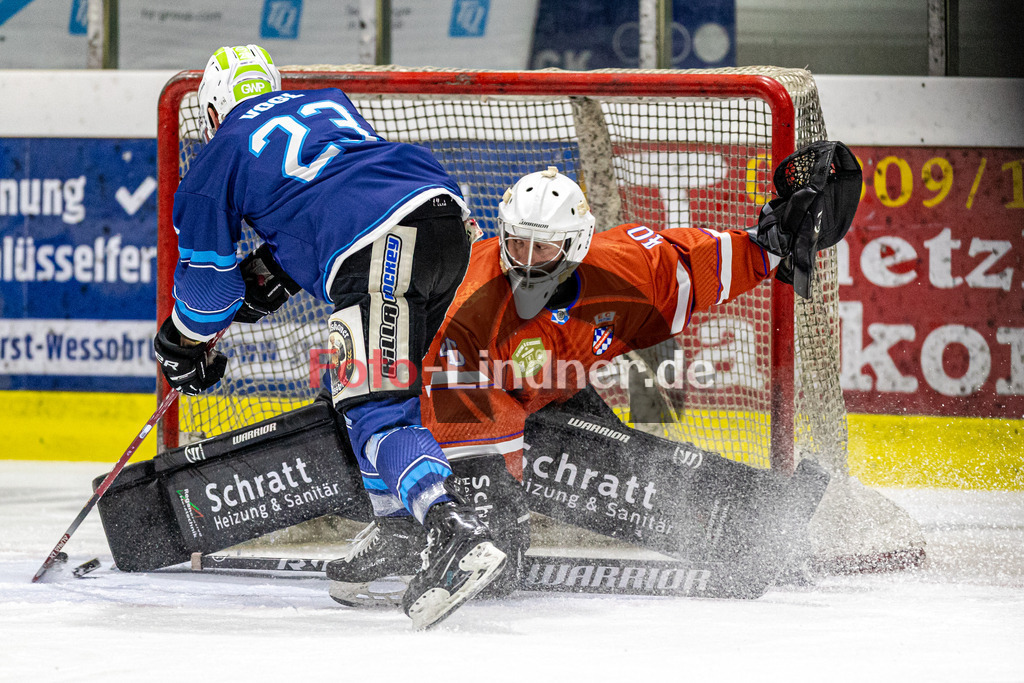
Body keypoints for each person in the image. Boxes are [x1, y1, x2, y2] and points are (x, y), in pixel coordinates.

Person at [327, 147, 861, 605]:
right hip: (467, 414)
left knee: (620, 457)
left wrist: (773, 243)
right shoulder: (468, 299)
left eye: (544, 247)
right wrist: (504, 489)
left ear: (577, 245)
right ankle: (399, 527)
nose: (528, 260)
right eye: (517, 243)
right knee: (500, 570)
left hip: (551, 394)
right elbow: (443, 399)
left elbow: (697, 265)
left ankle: (761, 527)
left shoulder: (625, 269)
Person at [152, 44, 506, 630]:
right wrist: (273, 274)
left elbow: (208, 293)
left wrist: (186, 342)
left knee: (377, 411)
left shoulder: (219, 154)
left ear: (212, 110)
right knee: (354, 389)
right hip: (447, 225)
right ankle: (398, 527)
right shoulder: (326, 103)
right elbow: (331, 193)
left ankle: (453, 533)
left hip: (382, 246)